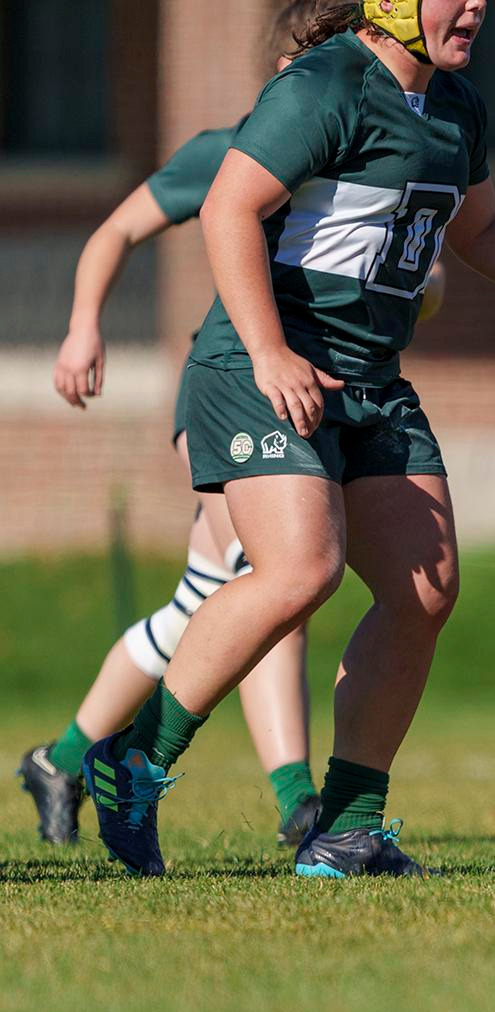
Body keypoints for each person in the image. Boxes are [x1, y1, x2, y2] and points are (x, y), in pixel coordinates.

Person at [80, 0, 495, 878]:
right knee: (300, 571)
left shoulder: (455, 106)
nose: (474, 4)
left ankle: (347, 829)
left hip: (369, 380)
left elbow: (480, 232)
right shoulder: (325, 84)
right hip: (262, 371)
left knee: (427, 591)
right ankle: (131, 761)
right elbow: (226, 211)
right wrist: (270, 352)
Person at [17, 0, 394, 849]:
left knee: (213, 596)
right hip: (231, 385)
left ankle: (68, 756)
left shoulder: (371, 155)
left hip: (315, 392)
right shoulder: (233, 152)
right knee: (279, 576)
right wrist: (84, 324)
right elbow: (116, 229)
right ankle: (297, 798)